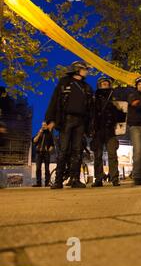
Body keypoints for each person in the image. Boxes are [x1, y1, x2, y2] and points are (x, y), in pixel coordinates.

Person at [45, 61, 94, 189]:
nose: (86, 71)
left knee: (77, 151)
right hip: (66, 120)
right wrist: (50, 120)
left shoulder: (87, 87)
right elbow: (54, 101)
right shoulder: (64, 83)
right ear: (77, 69)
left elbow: (91, 108)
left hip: (81, 121)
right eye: (84, 69)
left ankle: (75, 179)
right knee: (63, 150)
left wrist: (90, 125)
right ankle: (58, 180)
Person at [91, 77, 122, 187]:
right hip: (98, 131)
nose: (104, 85)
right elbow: (91, 115)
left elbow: (120, 116)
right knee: (98, 156)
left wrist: (118, 109)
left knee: (112, 155)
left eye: (106, 84)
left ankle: (114, 178)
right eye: (102, 84)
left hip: (110, 131)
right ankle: (98, 179)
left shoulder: (113, 98)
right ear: (99, 85)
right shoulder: (94, 99)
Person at [32, 122, 55, 187]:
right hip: (38, 153)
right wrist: (39, 133)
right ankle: (38, 183)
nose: (43, 126)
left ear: (47, 126)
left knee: (47, 168)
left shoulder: (49, 134)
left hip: (46, 153)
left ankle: (47, 183)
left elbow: (52, 145)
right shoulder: (39, 133)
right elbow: (34, 140)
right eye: (42, 125)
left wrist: (48, 150)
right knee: (38, 168)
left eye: (44, 125)